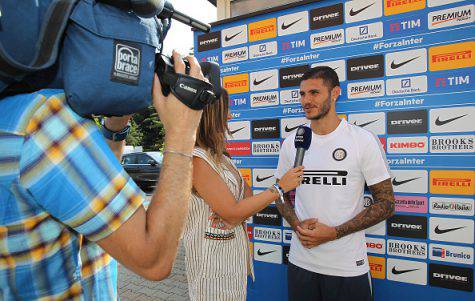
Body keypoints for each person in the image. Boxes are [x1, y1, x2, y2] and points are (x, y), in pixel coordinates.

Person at [0, 51, 205, 300]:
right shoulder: (44, 119)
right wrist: (182, 134)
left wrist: (114, 129)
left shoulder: (15, 116)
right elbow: (154, 260)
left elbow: (91, 193)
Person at [274, 66, 395, 301]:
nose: (306, 100)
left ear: (335, 93)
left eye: (314, 93)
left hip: (346, 267)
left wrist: (334, 233)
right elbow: (278, 194)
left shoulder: (362, 141)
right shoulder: (292, 143)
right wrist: (297, 224)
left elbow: (387, 203)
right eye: (302, 94)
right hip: (301, 262)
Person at [183, 88, 304, 301]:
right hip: (211, 268)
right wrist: (279, 188)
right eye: (226, 110)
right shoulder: (198, 160)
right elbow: (234, 211)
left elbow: (246, 203)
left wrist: (236, 212)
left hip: (232, 264)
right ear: (211, 114)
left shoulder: (222, 158)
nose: (230, 115)